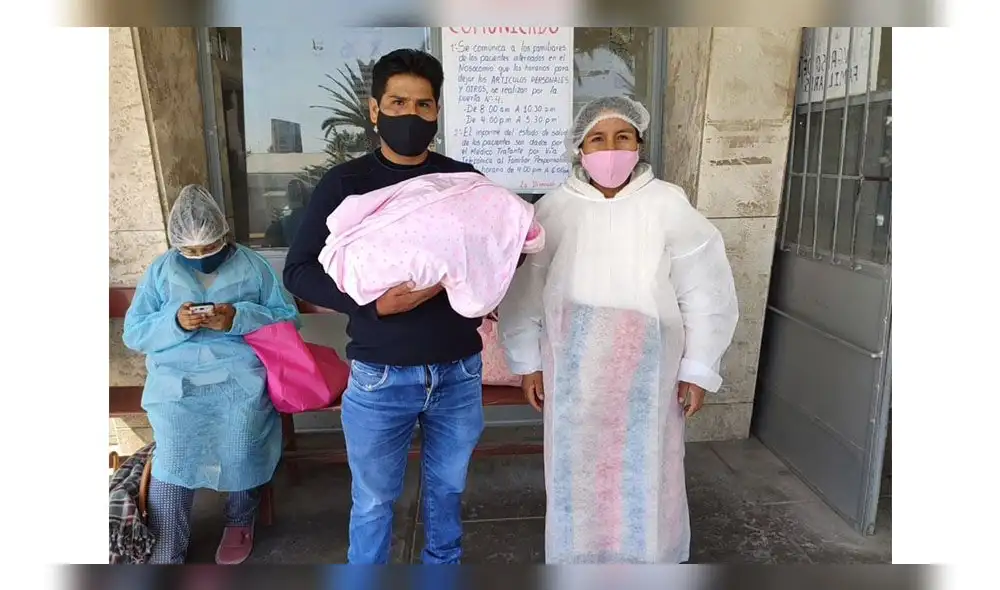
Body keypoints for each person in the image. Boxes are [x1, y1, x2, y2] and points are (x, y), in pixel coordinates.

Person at [499, 96, 740, 564]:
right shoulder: (554, 209)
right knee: (576, 465)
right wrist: (527, 362)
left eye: (622, 137)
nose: (611, 149)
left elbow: (704, 289)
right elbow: (526, 289)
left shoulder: (667, 204)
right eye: (598, 139)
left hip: (650, 370)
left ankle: (651, 559)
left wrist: (698, 366)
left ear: (640, 143)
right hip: (574, 369)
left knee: (650, 465)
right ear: (580, 149)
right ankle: (577, 558)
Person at [283, 49, 487, 565]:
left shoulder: (462, 181)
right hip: (379, 378)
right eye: (398, 102)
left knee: (447, 494)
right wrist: (370, 303)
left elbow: (497, 251)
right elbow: (300, 269)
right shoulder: (345, 184)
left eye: (423, 105)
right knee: (373, 500)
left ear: (437, 112)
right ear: (374, 110)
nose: (410, 116)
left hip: (459, 371)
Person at [122, 185, 299, 565]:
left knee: (241, 439)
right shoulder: (160, 271)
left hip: (238, 376)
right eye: (191, 251)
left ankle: (240, 519)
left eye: (209, 248)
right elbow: (134, 332)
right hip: (176, 383)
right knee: (174, 455)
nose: (201, 257)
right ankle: (168, 544)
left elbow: (287, 318)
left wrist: (237, 318)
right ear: (176, 245)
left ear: (224, 235)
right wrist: (175, 322)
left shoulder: (253, 265)